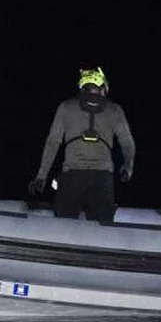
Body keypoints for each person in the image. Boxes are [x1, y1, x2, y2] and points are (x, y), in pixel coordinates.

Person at [30, 66, 136, 222]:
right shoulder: (115, 110)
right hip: (103, 178)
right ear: (103, 87)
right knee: (103, 229)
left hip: (72, 176)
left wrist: (41, 176)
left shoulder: (66, 107)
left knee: (64, 226)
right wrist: (128, 167)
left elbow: (53, 143)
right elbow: (127, 143)